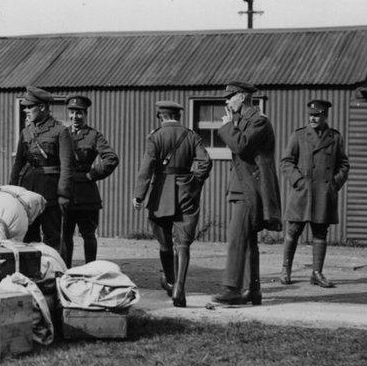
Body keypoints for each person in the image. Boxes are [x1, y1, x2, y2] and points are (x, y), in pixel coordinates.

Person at [133, 100, 211, 307]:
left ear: (161, 116)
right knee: (183, 243)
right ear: (178, 116)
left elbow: (147, 167)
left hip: (161, 194)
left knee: (165, 243)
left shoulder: (155, 136)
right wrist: (194, 182)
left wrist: (139, 195)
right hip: (187, 191)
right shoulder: (191, 135)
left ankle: (169, 280)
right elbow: (205, 161)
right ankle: (179, 288)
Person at [212, 82, 281, 306]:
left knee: (237, 238)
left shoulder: (259, 121)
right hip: (243, 186)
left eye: (230, 96)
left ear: (242, 97)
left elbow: (241, 145)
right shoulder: (245, 120)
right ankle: (253, 290)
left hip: (249, 189)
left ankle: (232, 288)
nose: (227, 101)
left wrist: (225, 127)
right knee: (249, 240)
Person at [279, 99, 350, 288]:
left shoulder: (335, 138)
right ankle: (286, 270)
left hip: (323, 193)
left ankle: (316, 273)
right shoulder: (299, 136)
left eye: (317, 115)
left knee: (320, 233)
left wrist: (334, 184)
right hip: (302, 192)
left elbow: (344, 164)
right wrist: (298, 181)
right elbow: (286, 161)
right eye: (311, 115)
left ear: (325, 116)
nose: (312, 118)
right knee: (293, 231)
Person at [9, 86, 73, 251]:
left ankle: (56, 272)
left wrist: (63, 194)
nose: (26, 110)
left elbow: (66, 167)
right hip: (28, 192)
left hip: (50, 192)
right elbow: (18, 164)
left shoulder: (60, 131)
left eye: (30, 107)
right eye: (25, 107)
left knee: (53, 236)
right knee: (29, 235)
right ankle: (32, 273)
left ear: (42, 107)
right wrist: (11, 190)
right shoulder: (26, 131)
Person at [62, 95, 119, 267]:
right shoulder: (62, 134)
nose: (75, 117)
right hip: (65, 190)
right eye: (72, 112)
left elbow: (111, 158)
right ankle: (65, 271)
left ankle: (90, 269)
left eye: (79, 113)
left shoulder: (94, 135)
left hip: (87, 194)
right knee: (64, 235)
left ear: (85, 114)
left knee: (88, 235)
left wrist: (92, 174)